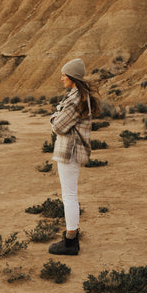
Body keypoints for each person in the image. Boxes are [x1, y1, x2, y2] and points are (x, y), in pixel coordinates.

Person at [48, 58, 97, 255]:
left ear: (72, 77)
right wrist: (56, 117)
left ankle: (70, 241)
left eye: (64, 75)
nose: (61, 78)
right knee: (70, 195)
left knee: (69, 196)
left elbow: (58, 125)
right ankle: (71, 236)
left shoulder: (76, 99)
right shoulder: (78, 96)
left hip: (70, 151)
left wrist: (53, 118)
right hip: (72, 150)